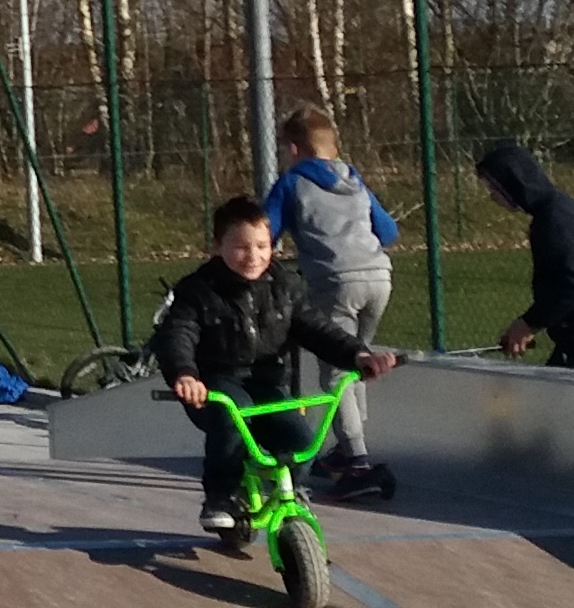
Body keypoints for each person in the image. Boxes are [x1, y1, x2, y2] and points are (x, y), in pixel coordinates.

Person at [152, 195, 402, 540]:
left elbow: (317, 328)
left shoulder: (284, 286)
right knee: (234, 414)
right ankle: (220, 495)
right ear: (216, 247)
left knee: (301, 439)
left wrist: (358, 355)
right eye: (240, 247)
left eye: (262, 245)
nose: (253, 256)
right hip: (216, 386)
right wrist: (185, 374)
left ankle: (291, 490)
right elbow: (179, 333)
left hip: (268, 385)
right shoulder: (198, 291)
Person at [268, 107, 400, 476]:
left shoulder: (292, 182)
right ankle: (348, 446)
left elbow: (266, 233)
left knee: (339, 369)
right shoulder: (354, 178)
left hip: (335, 281)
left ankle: (356, 459)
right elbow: (388, 232)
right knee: (359, 360)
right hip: (379, 277)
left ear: (293, 149)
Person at [473, 140, 574, 369]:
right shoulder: (554, 211)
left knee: (569, 402)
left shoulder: (555, 219)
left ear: (512, 184)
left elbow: (571, 284)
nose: (493, 197)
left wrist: (527, 324)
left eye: (494, 189)